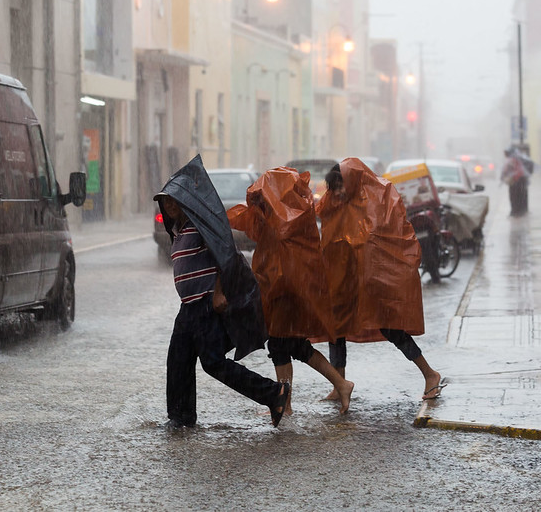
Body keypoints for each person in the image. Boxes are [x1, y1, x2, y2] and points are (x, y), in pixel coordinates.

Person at [155, 155, 290, 429]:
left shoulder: (200, 226)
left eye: (172, 201)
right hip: (188, 308)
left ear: (183, 203)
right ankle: (180, 419)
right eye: (165, 201)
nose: (168, 206)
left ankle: (274, 393)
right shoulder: (180, 231)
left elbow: (224, 255)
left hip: (205, 305)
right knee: (178, 361)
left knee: (213, 362)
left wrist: (218, 292)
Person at [228, 167, 354, 415]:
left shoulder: (288, 220)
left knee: (288, 344)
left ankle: (336, 385)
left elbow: (284, 264)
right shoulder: (284, 217)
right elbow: (252, 228)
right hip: (281, 291)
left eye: (264, 196)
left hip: (284, 292)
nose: (260, 201)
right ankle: (287, 401)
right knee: (282, 345)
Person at [317, 159, 445, 401]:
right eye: (334, 187)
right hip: (345, 281)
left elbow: (384, 237)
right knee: (337, 328)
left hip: (373, 281)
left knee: (391, 328)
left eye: (342, 186)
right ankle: (339, 383)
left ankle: (430, 374)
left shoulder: (375, 201)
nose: (339, 192)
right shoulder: (337, 206)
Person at [501, 146, 529, 217]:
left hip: (515, 181)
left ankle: (515, 212)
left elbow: (505, 170)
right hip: (521, 180)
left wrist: (503, 177)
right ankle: (520, 211)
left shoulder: (511, 160)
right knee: (520, 197)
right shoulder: (519, 160)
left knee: (514, 197)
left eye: (506, 153)